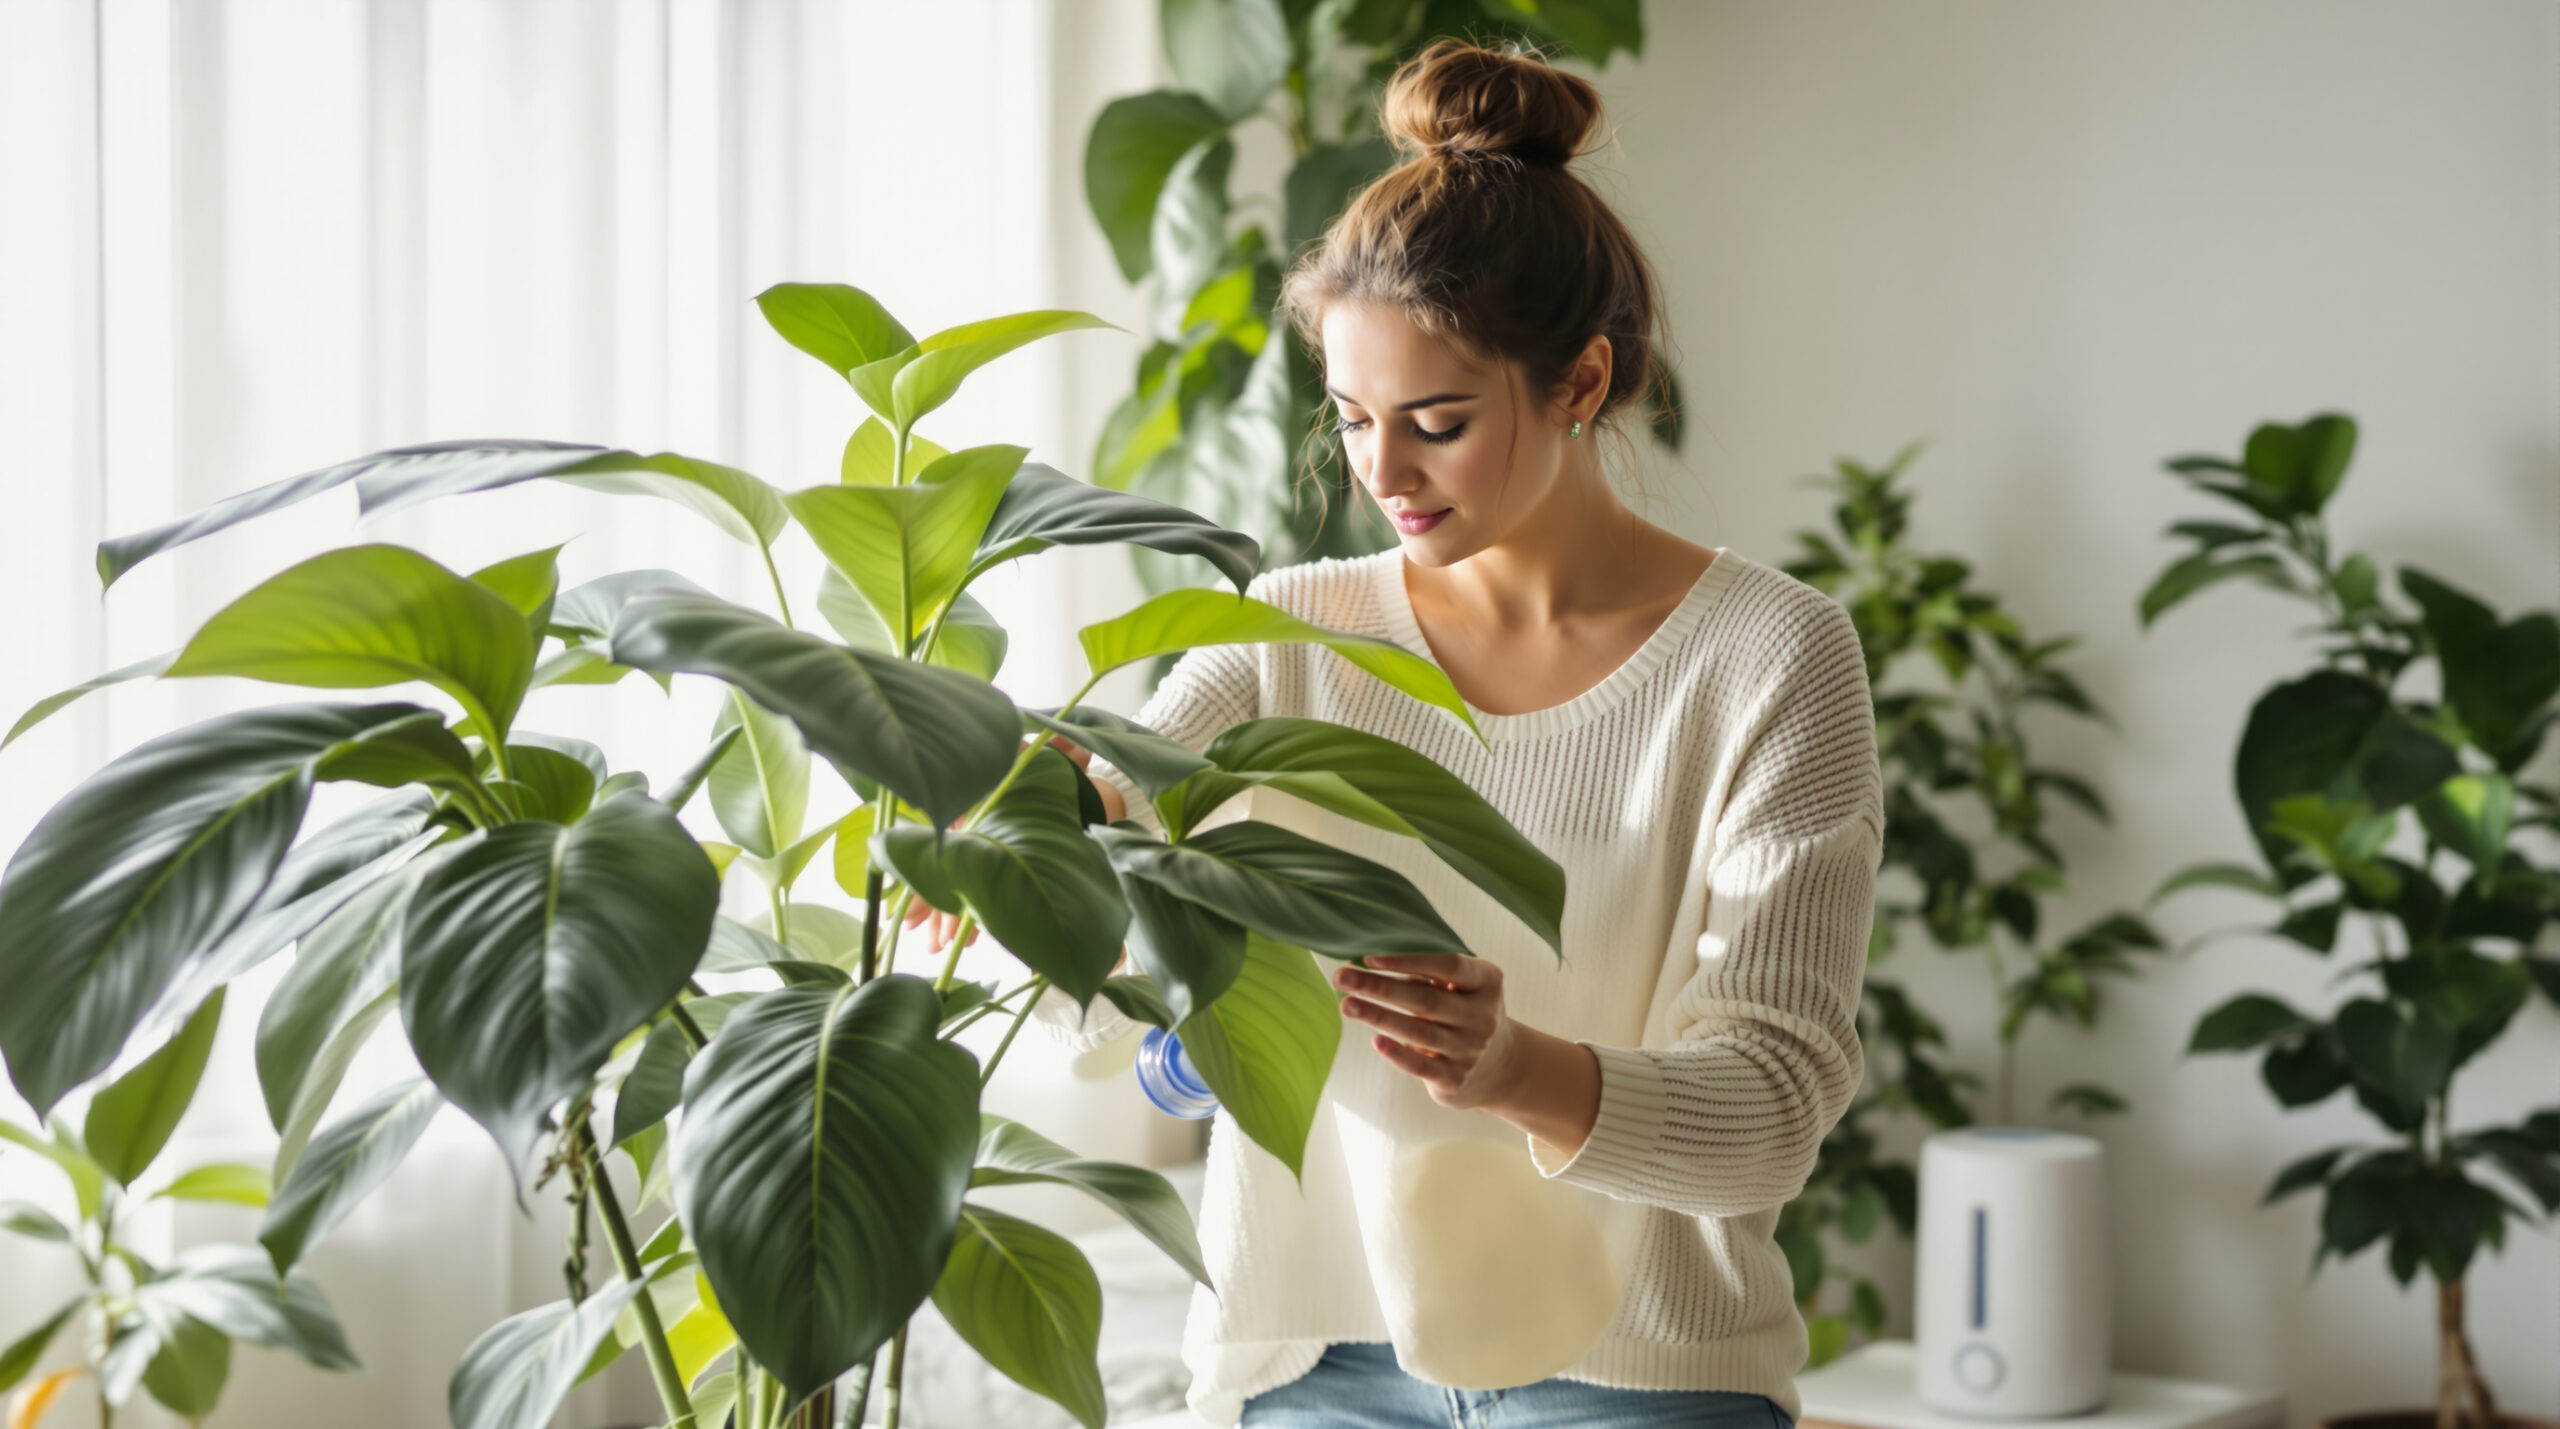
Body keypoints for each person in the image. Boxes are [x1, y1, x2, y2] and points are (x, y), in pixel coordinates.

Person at [916, 36, 1883, 1429]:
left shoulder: (1769, 655)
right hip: (1312, 1352)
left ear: (1585, 381)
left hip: (1641, 1364)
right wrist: (1021, 836)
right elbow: (1111, 876)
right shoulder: (1286, 627)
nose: (1382, 472)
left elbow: (1776, 1107)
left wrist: (1518, 1072)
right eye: (1353, 416)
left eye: (1436, 420)